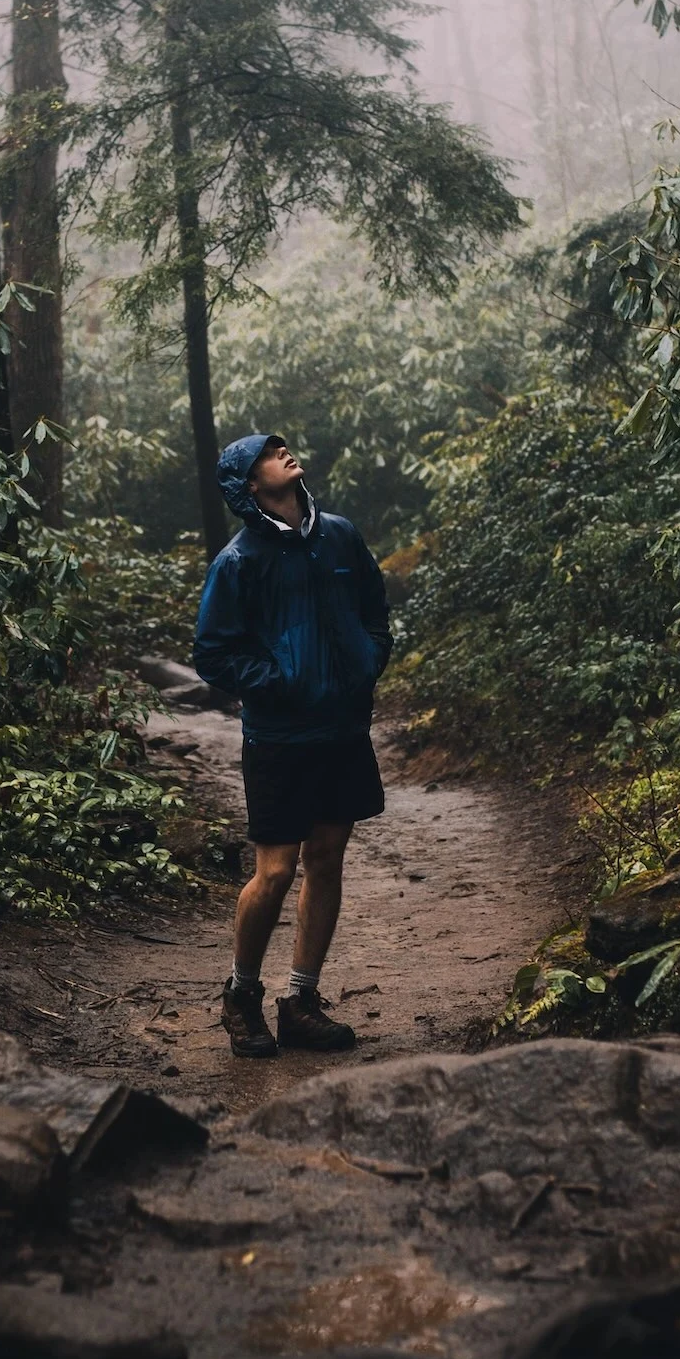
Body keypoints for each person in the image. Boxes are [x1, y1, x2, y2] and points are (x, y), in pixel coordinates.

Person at [192, 433, 393, 1058]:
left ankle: (301, 1002)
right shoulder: (239, 560)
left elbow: (374, 611)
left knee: (326, 857)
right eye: (269, 455)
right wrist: (279, 683)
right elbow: (212, 653)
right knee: (275, 872)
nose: (286, 454)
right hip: (280, 737)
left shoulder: (339, 534)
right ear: (251, 486)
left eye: (284, 448)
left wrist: (366, 663)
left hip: (342, 729)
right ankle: (241, 995)